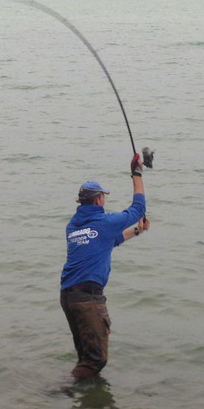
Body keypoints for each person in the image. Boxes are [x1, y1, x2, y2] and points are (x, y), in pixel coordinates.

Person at [59, 152, 150, 380]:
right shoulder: (103, 222)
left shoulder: (73, 226)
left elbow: (111, 240)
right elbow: (137, 209)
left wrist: (137, 230)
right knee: (96, 359)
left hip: (68, 297)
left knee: (86, 357)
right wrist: (136, 173)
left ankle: (83, 406)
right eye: (104, 197)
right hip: (87, 299)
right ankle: (60, 391)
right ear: (99, 200)